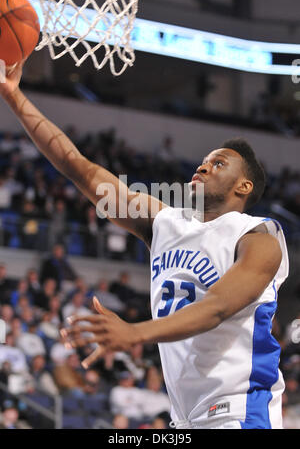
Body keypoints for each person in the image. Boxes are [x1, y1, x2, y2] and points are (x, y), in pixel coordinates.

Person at [0, 62, 289, 429]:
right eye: (202, 162)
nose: (202, 167)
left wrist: (135, 331)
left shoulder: (259, 235)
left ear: (243, 187)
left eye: (218, 164)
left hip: (239, 410)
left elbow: (217, 307)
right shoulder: (165, 222)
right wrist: (13, 95)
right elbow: (78, 167)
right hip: (184, 418)